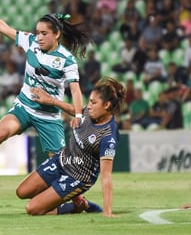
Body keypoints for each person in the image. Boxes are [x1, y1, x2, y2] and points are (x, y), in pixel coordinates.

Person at [0, 0, 91, 187]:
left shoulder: (67, 60)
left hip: (48, 116)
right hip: (24, 107)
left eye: (44, 33)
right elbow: (4, 28)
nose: (39, 37)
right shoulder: (31, 42)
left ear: (57, 34)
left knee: (61, 167)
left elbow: (76, 91)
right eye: (37, 32)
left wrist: (77, 115)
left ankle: (80, 202)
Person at [16, 77, 126, 217]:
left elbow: (106, 176)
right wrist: (51, 101)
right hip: (61, 161)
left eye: (93, 102)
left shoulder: (107, 136)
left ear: (106, 105)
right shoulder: (90, 112)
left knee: (33, 209)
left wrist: (107, 211)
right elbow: (76, 110)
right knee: (22, 192)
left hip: (77, 177)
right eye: (89, 101)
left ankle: (78, 206)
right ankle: (64, 198)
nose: (89, 106)